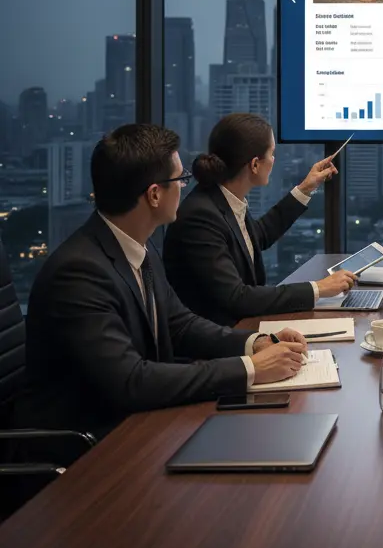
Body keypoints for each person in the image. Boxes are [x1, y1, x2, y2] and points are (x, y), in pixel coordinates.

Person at [16, 124, 307, 444]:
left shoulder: (138, 245)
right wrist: (249, 369)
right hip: (88, 450)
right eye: (180, 179)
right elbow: (131, 381)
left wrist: (256, 343)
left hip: (143, 425)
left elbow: (179, 324)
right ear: (154, 194)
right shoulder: (78, 273)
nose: (186, 187)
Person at [163, 113, 357, 326]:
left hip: (239, 328)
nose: (274, 160)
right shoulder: (200, 217)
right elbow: (237, 297)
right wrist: (319, 288)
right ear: (255, 165)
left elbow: (258, 236)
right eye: (272, 153)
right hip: (216, 343)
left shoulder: (226, 198)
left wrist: (306, 188)